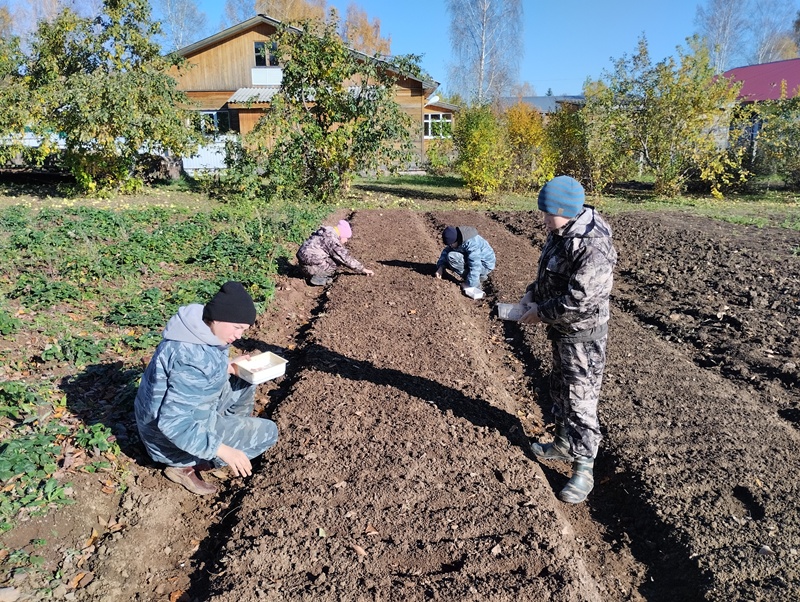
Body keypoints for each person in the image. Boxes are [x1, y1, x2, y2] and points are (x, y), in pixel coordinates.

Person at [518, 175, 617, 504]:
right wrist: (532, 293)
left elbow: (579, 301)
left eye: (549, 214)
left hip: (582, 334)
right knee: (560, 387)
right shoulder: (561, 229)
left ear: (567, 210)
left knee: (581, 400)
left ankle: (584, 468)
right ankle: (562, 444)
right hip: (561, 328)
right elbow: (549, 271)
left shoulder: (593, 246)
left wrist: (539, 313)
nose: (544, 220)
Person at [134, 281, 279, 496]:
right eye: (237, 328)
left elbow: (198, 376)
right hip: (169, 442)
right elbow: (173, 423)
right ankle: (186, 465)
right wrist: (222, 450)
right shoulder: (191, 359)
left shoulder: (196, 330)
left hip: (173, 417)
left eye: (244, 330)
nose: (239, 336)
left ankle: (227, 428)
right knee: (269, 432)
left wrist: (227, 366)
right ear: (220, 317)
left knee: (245, 377)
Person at [296, 219, 374, 286]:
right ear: (342, 235)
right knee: (334, 263)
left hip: (303, 262)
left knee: (331, 258)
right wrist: (363, 269)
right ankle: (318, 278)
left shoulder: (325, 232)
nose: (346, 240)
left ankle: (308, 272)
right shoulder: (332, 240)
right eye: (346, 238)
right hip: (311, 265)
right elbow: (345, 258)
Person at [435, 226, 496, 300]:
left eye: (451, 244)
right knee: (450, 257)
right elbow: (446, 251)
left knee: (452, 257)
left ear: (456, 240)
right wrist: (440, 267)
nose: (450, 246)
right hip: (478, 261)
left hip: (485, 264)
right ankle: (477, 277)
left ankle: (477, 283)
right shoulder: (457, 237)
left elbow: (475, 265)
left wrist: (470, 285)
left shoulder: (471, 243)